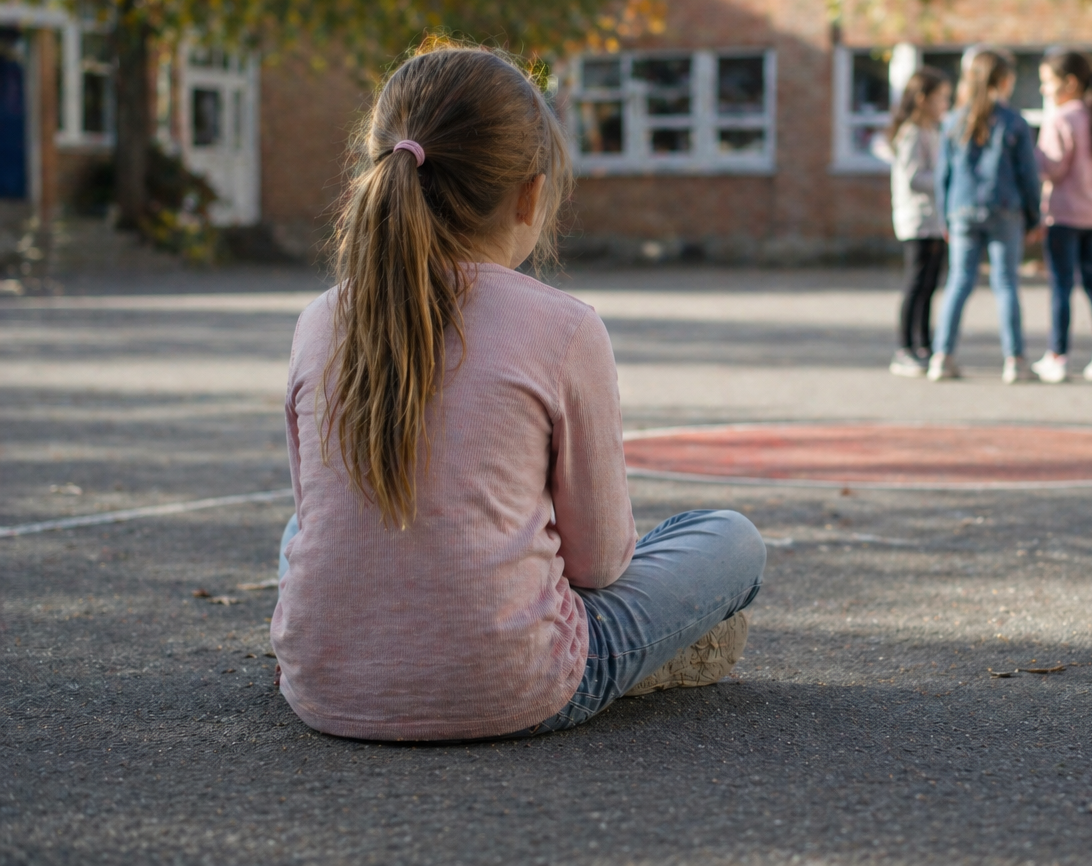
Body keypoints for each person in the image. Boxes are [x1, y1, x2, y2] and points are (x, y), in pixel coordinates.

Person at [271, 43, 765, 742]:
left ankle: (357, 645)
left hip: (323, 688)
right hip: (518, 683)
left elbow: (310, 508)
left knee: (305, 530)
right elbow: (599, 563)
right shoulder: (565, 327)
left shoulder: (319, 319)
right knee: (731, 539)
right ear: (530, 194)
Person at [927, 48, 1043, 383]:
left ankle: (942, 356)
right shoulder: (1014, 122)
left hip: (962, 209)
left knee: (959, 282)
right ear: (1004, 81)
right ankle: (1015, 360)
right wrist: (1034, 215)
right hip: (1004, 207)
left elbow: (943, 176)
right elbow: (1028, 175)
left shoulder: (953, 121)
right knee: (1005, 283)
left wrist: (945, 217)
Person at [1030, 49, 1092, 384]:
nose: (1043, 89)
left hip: (1065, 217)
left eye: (1047, 82)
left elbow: (1051, 168)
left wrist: (1032, 156)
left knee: (1061, 287)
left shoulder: (1061, 119)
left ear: (1069, 83)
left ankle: (1058, 356)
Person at [874, 67, 952, 377]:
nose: (945, 104)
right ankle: (904, 348)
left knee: (930, 285)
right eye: (941, 98)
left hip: (935, 219)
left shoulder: (933, 131)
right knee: (916, 284)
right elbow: (913, 178)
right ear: (922, 99)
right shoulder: (911, 133)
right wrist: (946, 179)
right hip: (918, 220)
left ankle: (924, 344)